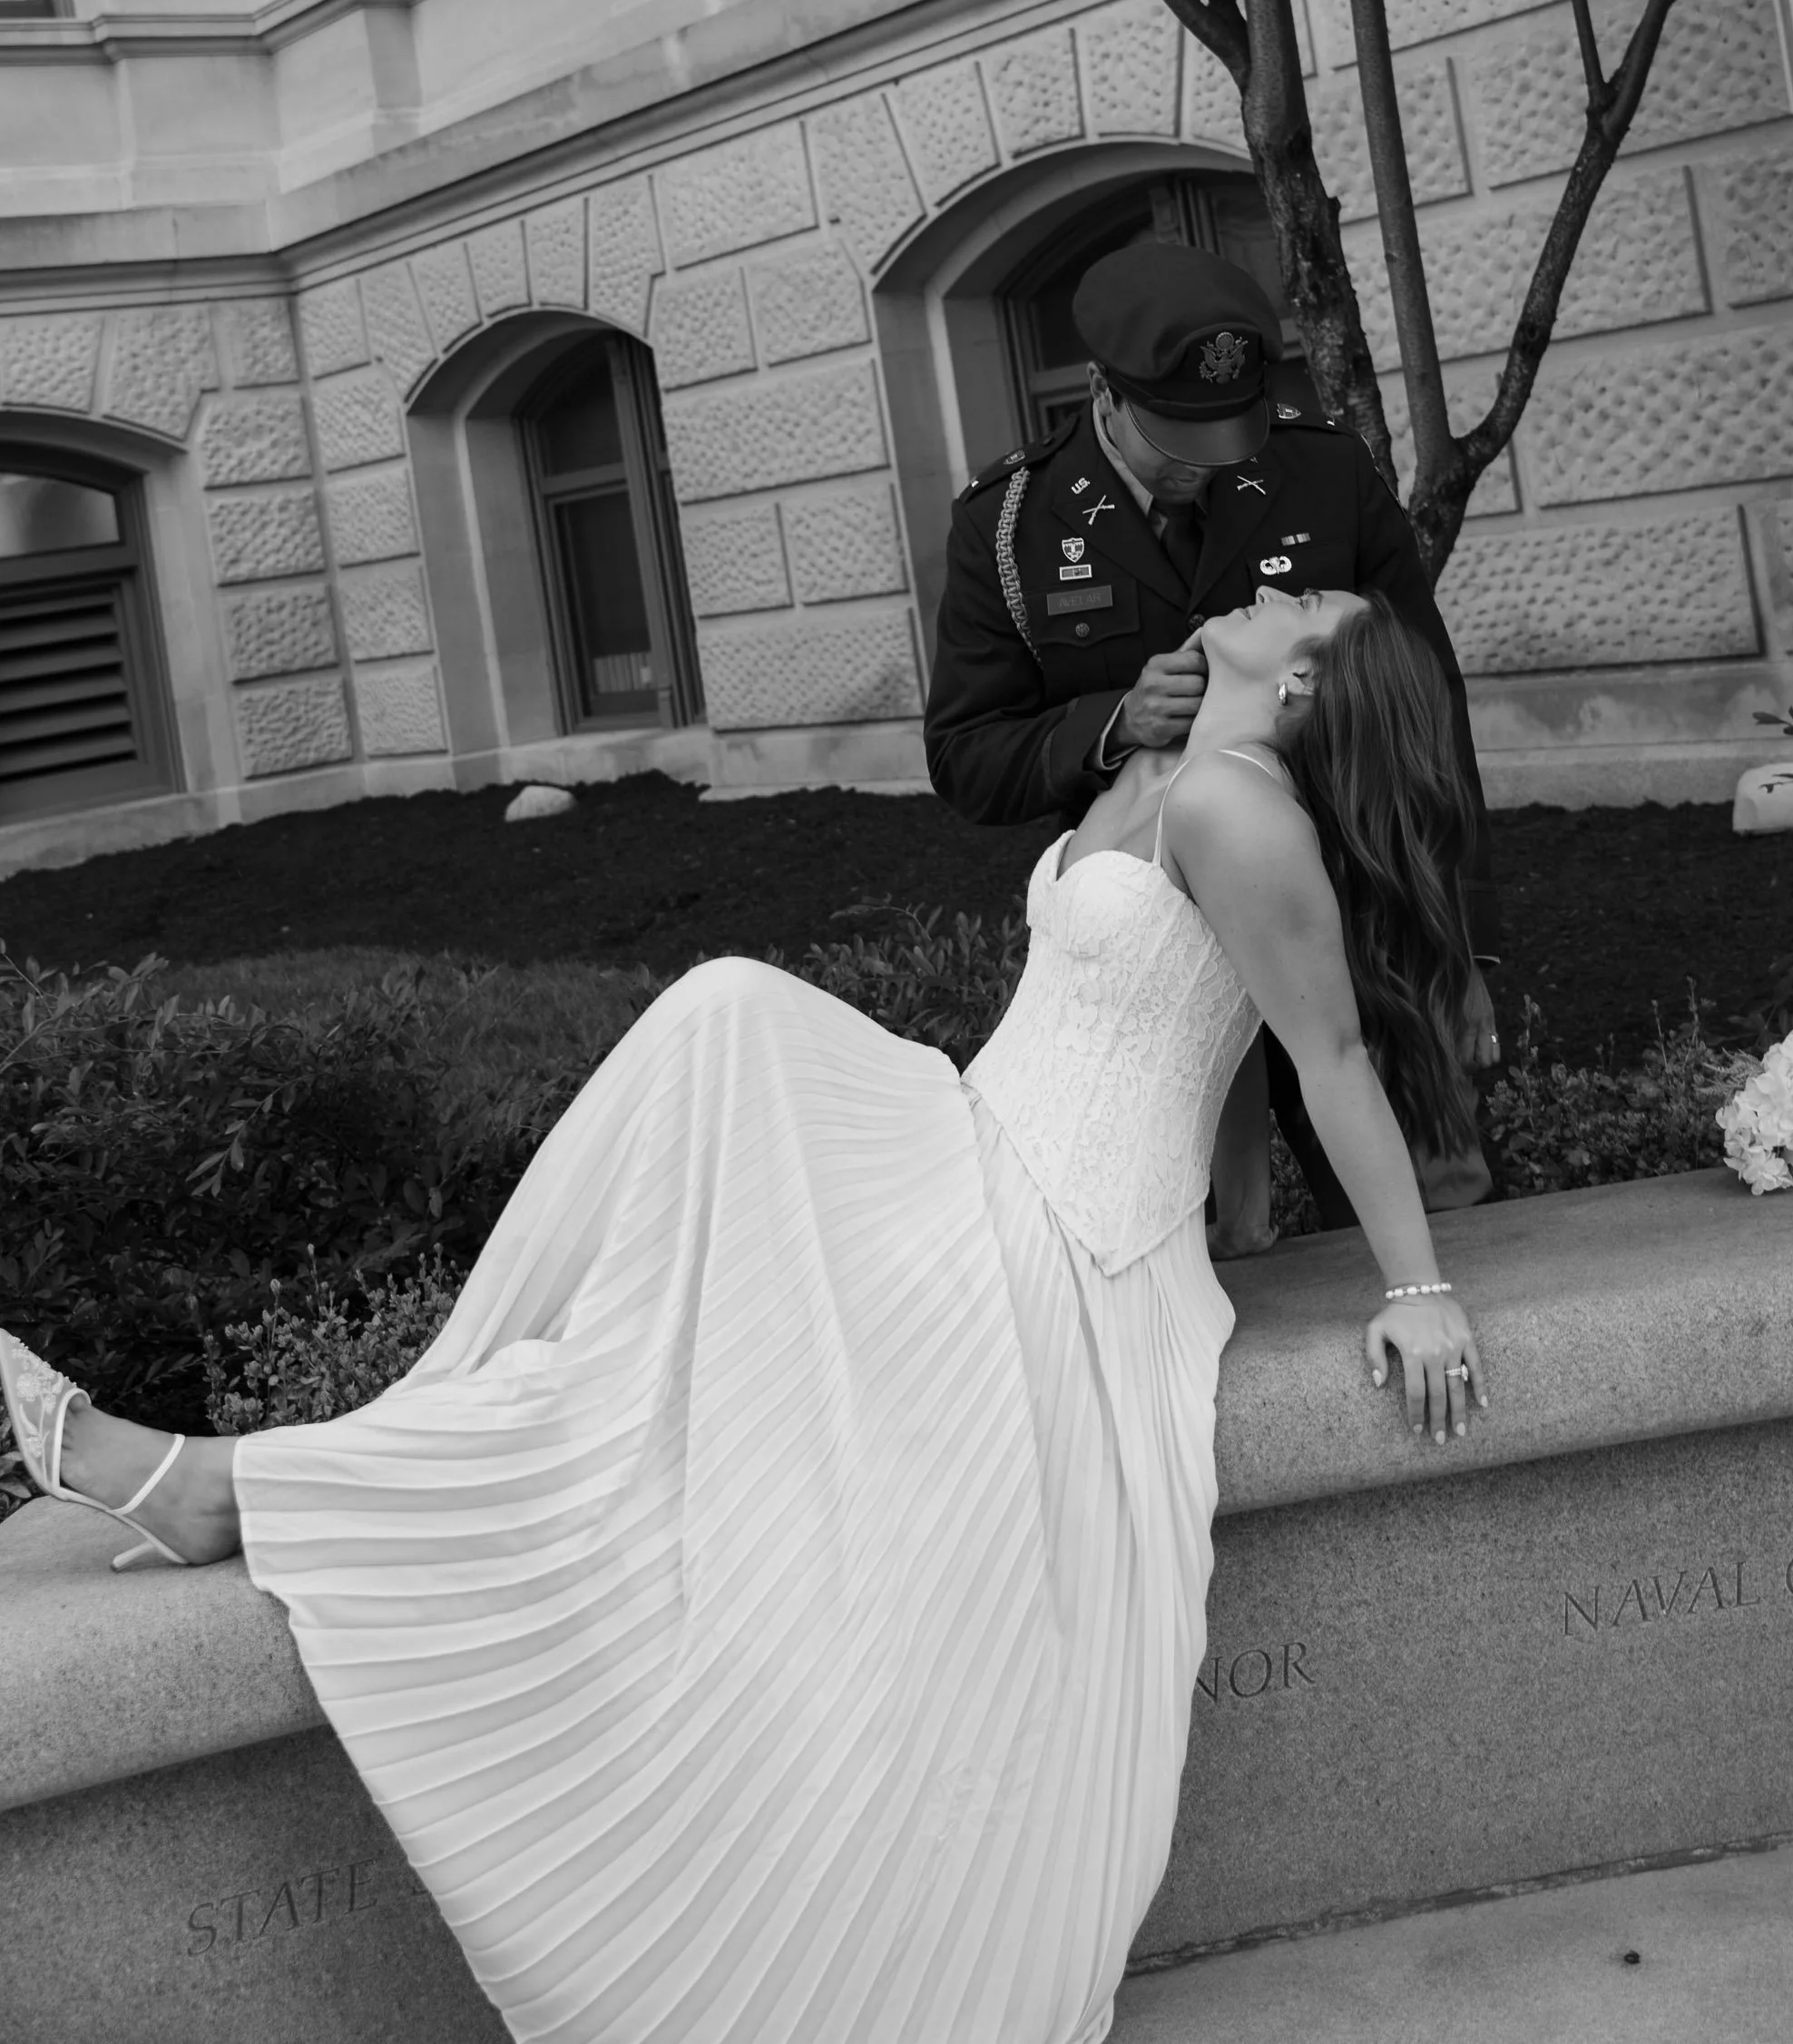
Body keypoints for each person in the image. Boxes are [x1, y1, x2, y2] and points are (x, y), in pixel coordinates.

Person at [2, 592, 1486, 2044]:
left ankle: (236, 1488)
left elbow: (1325, 1047)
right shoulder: (1160, 767)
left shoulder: (1241, 806)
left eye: (1308, 601)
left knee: (721, 1047)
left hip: (1052, 1235)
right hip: (968, 1143)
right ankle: (291, 1475)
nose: (1276, 579)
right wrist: (1240, 1219)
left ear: (1301, 687)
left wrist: (1413, 1290)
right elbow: (1197, 1026)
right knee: (703, 1118)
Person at [924, 239, 1502, 1239]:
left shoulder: (1319, 472)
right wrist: (1108, 725)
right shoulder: (1008, 525)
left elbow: (1425, 720)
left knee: (1437, 1220)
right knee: (1196, 1268)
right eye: (1175, 435)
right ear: (1103, 393)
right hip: (1165, 999)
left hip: (1352, 938)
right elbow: (965, 754)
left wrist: (1453, 948)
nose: (1208, 461)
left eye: (1224, 429)